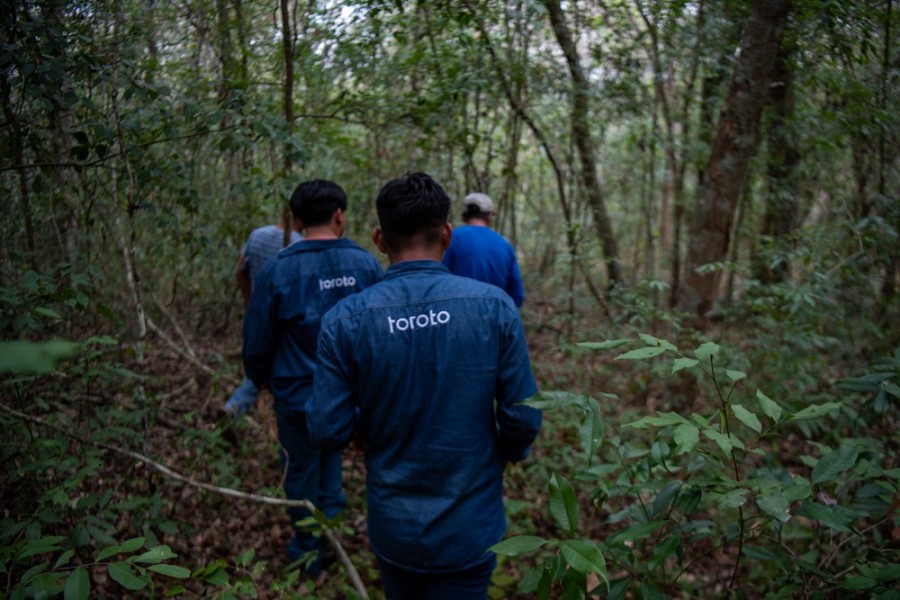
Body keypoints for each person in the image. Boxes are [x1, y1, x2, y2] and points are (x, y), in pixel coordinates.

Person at [308, 172, 542, 599]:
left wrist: (362, 427)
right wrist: (504, 452)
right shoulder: (494, 308)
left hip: (395, 527)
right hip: (469, 524)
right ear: (448, 234)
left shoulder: (345, 320)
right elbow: (523, 414)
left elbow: (326, 428)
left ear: (379, 239)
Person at [242, 179, 383, 574]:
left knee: (302, 469)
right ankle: (327, 537)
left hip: (295, 394)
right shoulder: (366, 265)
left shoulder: (277, 270)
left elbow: (256, 340)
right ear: (340, 216)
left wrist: (260, 379)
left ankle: (310, 551)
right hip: (346, 397)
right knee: (329, 462)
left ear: (297, 220)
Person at [223, 217, 303, 417]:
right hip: (283, 319)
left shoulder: (257, 234)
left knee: (259, 367)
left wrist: (251, 302)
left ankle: (234, 408)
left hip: (259, 316)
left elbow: (240, 271)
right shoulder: (300, 244)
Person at [442, 192, 525, 307]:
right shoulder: (505, 245)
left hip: (455, 315)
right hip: (494, 318)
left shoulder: (450, 238)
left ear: (463, 214)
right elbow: (517, 294)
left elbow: (438, 280)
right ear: (490, 215)